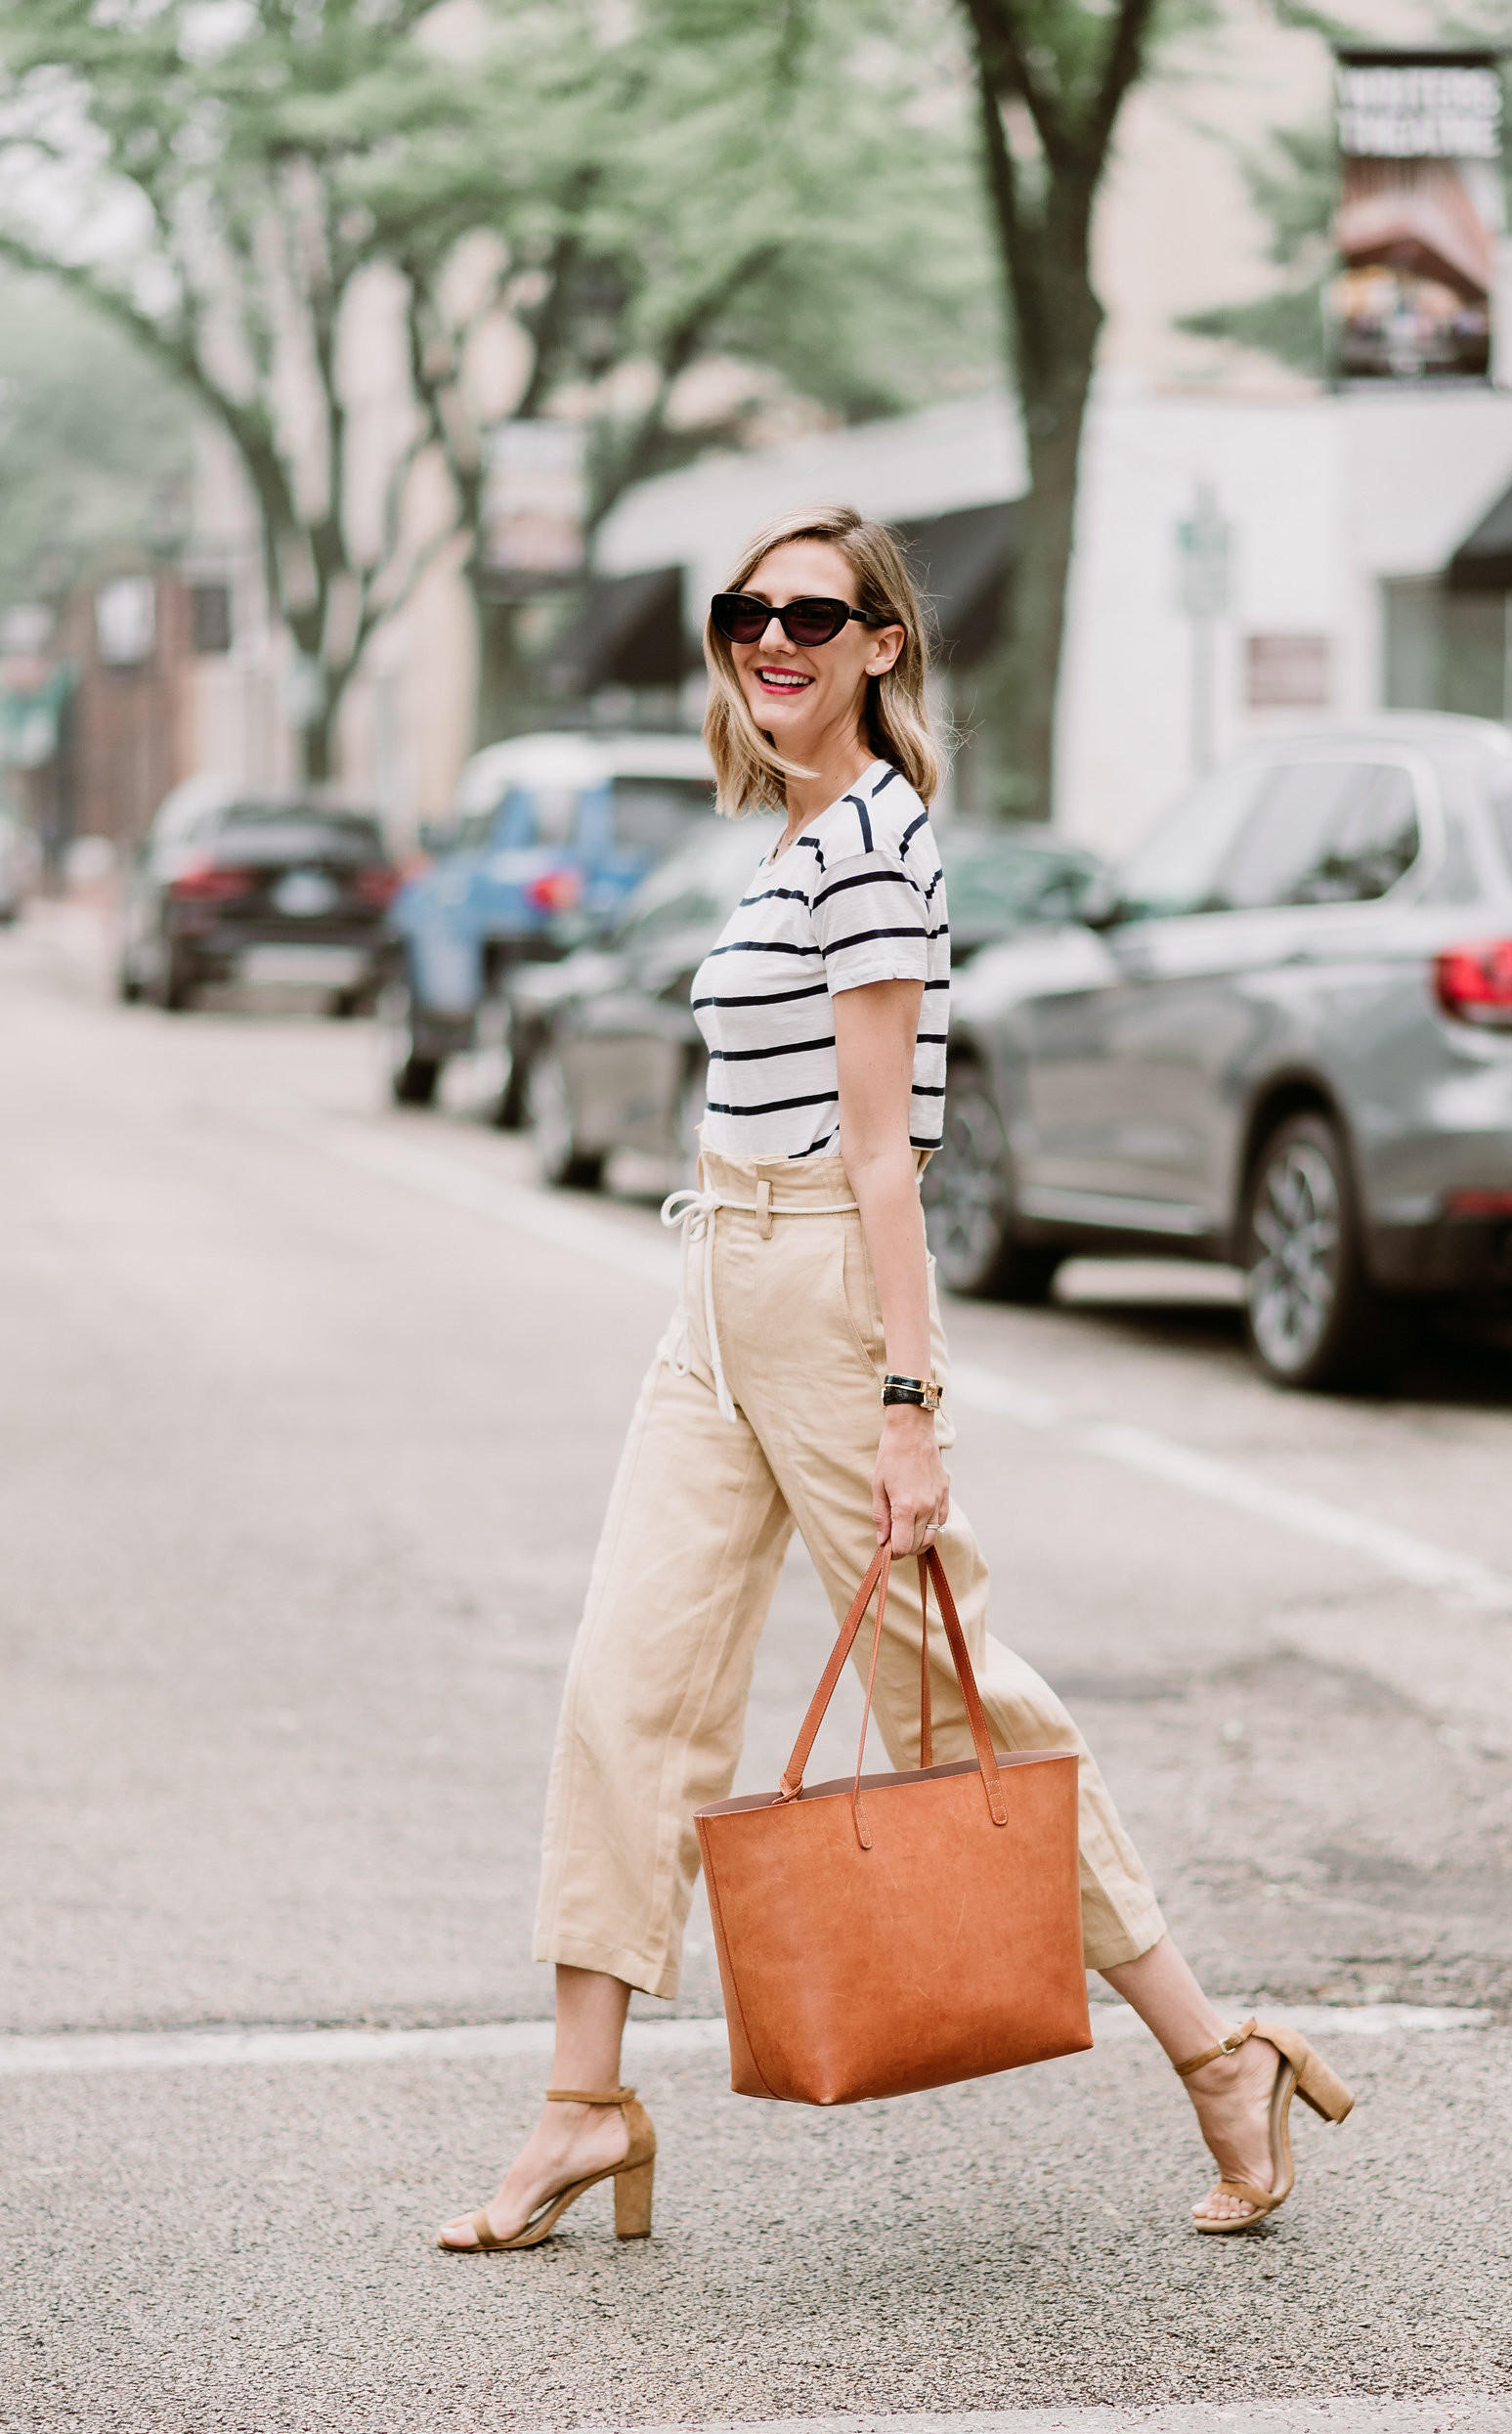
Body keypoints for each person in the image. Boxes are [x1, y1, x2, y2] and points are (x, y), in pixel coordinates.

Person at [437, 505, 1352, 2255]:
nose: (768, 640)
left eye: (809, 616)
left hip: (821, 1298)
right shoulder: (791, 836)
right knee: (623, 1687)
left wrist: (911, 1406)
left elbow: (879, 1162)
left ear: (881, 644)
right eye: (744, 614)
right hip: (713, 1295)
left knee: (954, 1708)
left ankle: (1216, 2052)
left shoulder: (873, 844)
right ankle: (582, 2104)